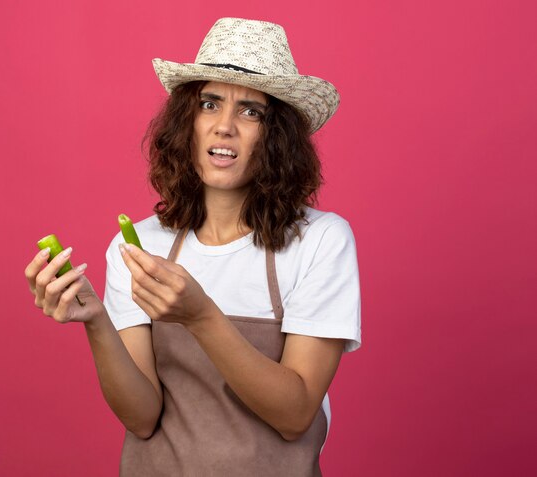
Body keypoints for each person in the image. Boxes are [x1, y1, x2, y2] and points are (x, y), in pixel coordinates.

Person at [25, 18, 361, 476]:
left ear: (277, 136)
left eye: (250, 111)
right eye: (209, 103)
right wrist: (97, 320)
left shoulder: (321, 240)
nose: (224, 127)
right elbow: (143, 419)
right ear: (188, 121)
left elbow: (295, 414)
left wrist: (201, 316)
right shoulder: (141, 246)